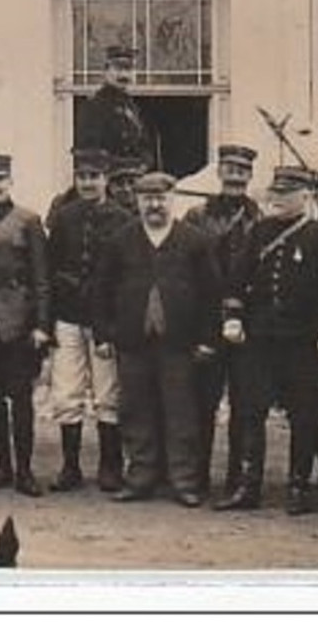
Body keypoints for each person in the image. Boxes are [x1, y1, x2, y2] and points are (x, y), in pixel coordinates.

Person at [217, 165, 318, 513]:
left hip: (303, 341)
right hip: (259, 339)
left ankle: (298, 485)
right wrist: (233, 317)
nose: (277, 200)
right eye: (275, 194)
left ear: (304, 197)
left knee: (304, 414)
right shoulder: (258, 232)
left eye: (286, 195)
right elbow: (236, 280)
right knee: (250, 411)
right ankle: (249, 486)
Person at [91, 171, 223, 507]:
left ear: (172, 199)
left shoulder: (195, 240)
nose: (154, 205)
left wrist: (208, 338)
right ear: (137, 201)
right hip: (132, 341)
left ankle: (184, 481)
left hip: (179, 342)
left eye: (160, 198)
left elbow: (211, 295)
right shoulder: (120, 240)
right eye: (147, 198)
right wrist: (103, 334)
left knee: (181, 412)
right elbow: (100, 291)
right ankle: (140, 477)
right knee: (135, 410)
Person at [45, 147, 133, 493]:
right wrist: (49, 316)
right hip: (67, 315)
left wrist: (113, 321)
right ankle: (70, 467)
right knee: (67, 391)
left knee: (108, 391)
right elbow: (50, 269)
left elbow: (125, 275)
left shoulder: (123, 219)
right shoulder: (64, 217)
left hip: (104, 319)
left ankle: (110, 466)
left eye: (94, 177)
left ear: (106, 180)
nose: (87, 183)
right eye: (82, 177)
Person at [178, 144, 262, 498]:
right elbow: (185, 272)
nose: (234, 177)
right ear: (219, 173)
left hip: (248, 322)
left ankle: (239, 482)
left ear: (250, 176)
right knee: (202, 402)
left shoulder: (262, 218)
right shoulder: (197, 217)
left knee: (245, 403)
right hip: (208, 321)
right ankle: (196, 478)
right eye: (228, 169)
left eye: (241, 171)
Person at [0, 154, 52, 497]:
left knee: (21, 397)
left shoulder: (28, 221)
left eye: (0, 178)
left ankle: (25, 470)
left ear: (11, 182)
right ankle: (1, 465)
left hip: (19, 322)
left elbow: (42, 278)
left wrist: (41, 325)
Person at [76, 45, 156, 167]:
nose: (123, 75)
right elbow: (89, 153)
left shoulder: (132, 107)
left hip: (134, 176)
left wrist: (145, 162)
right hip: (108, 177)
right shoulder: (94, 106)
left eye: (128, 69)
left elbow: (144, 145)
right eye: (118, 69)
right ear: (106, 71)